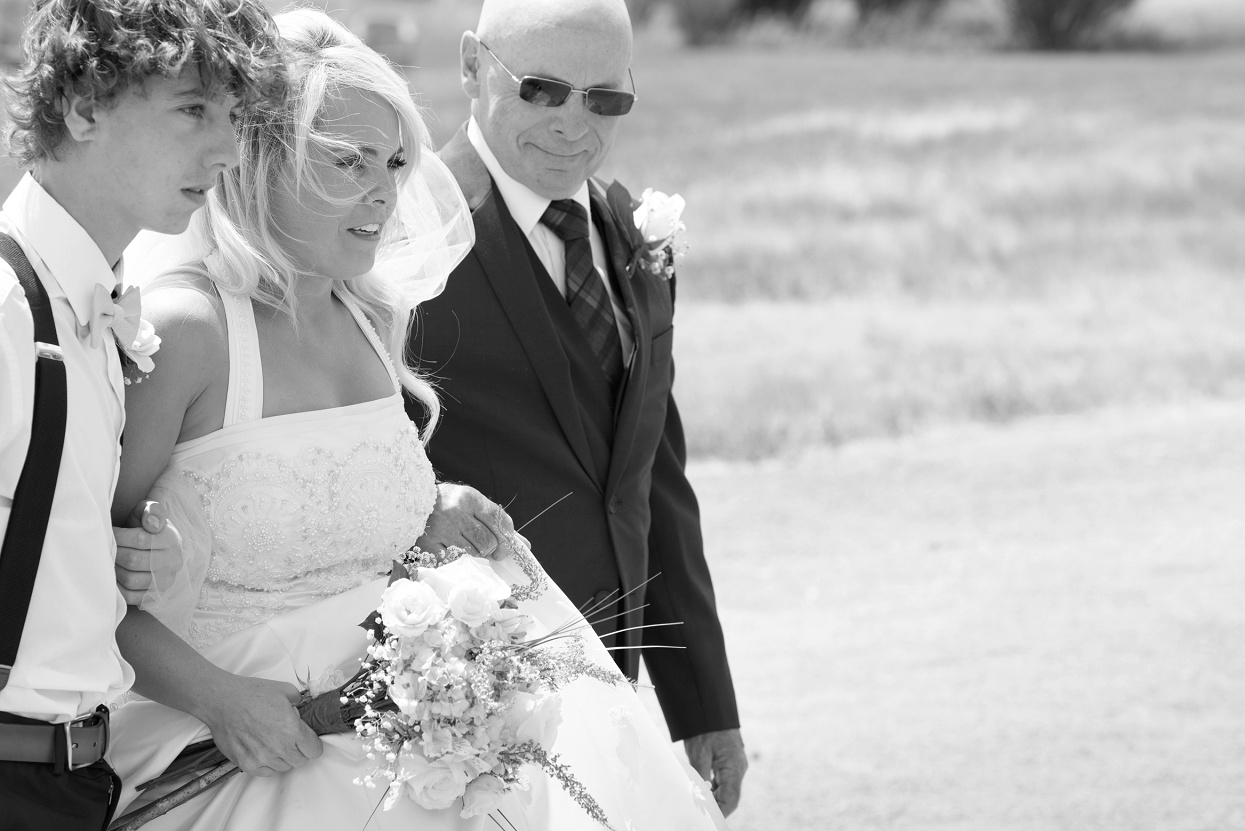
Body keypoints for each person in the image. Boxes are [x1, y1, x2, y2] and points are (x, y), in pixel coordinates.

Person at [106, 10, 727, 830]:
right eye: (347, 162)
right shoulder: (188, 331)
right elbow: (75, 580)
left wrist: (429, 510)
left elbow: (334, 509)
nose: (381, 193)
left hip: (405, 747)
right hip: (241, 750)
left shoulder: (369, 315)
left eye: (394, 162)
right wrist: (221, 701)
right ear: (260, 158)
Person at [406, 0, 748, 815]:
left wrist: (704, 701)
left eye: (604, 99)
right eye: (542, 90)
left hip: (617, 671)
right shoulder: (404, 227)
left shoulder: (635, 233)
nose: (572, 124)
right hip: (466, 685)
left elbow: (650, 475)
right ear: (470, 66)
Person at [0, 1, 284, 828]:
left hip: (79, 779)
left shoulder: (102, 304)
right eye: (193, 110)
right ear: (84, 106)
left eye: (233, 118)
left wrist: (123, 559)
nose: (227, 150)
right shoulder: (9, 312)